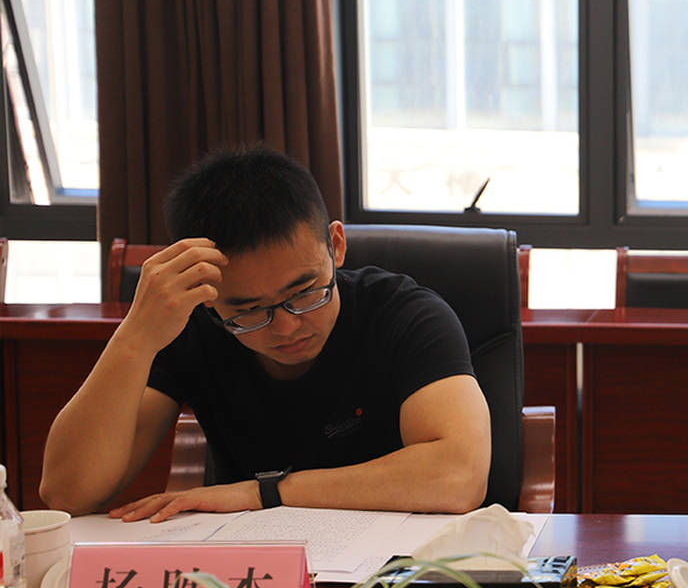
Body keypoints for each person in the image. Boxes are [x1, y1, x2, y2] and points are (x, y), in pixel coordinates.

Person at [39, 147, 491, 521]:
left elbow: (458, 475)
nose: (287, 327)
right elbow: (68, 493)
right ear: (208, 294)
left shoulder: (405, 314)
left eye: (305, 293)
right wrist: (136, 334)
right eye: (248, 311)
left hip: (393, 570)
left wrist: (264, 492)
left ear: (335, 246)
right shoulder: (190, 327)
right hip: (249, 572)